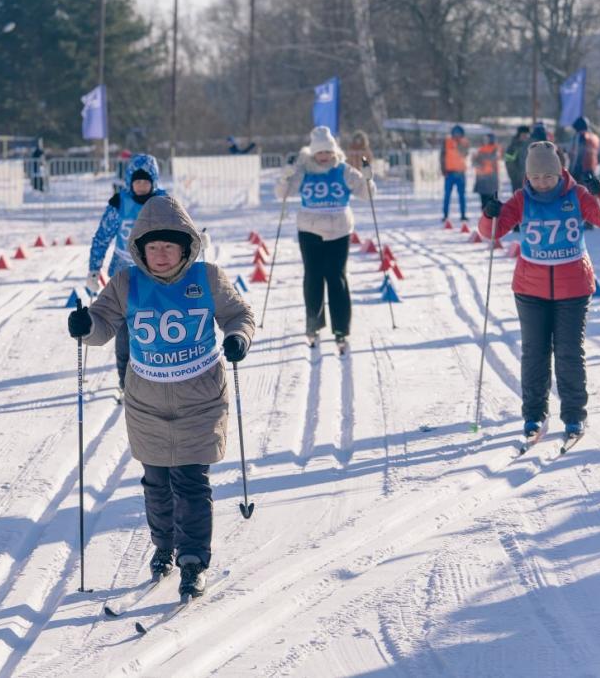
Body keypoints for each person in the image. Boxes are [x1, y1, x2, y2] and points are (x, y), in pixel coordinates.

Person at [67, 195, 255, 599]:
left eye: (169, 246)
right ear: (140, 249)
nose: (161, 255)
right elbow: (101, 327)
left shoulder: (207, 278)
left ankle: (192, 560)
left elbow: (240, 314)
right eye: (152, 247)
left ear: (186, 245)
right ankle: (164, 547)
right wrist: (84, 325)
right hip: (146, 402)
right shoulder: (126, 282)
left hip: (200, 399)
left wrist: (238, 337)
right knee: (156, 483)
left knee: (189, 481)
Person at [478, 141, 600, 442]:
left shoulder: (577, 195)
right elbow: (489, 232)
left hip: (574, 287)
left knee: (569, 353)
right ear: (527, 177)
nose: (542, 183)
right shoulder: (521, 199)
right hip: (531, 289)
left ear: (560, 173)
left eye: (548, 176)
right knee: (535, 353)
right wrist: (489, 213)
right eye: (536, 177)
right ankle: (533, 415)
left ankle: (573, 416)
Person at [274, 126, 374, 352]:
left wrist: (368, 179)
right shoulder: (303, 170)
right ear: (312, 153)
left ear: (334, 152)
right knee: (313, 277)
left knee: (337, 278)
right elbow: (282, 193)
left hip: (339, 231)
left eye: (328, 152)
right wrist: (286, 175)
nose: (324, 157)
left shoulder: (344, 170)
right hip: (309, 230)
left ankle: (341, 330)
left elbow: (368, 194)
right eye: (319, 153)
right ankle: (313, 325)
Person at [87, 154, 167, 395]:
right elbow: (102, 236)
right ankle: (126, 382)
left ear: (154, 181)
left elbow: (180, 231)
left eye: (146, 181)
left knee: (156, 328)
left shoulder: (164, 202)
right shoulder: (118, 203)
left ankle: (158, 377)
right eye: (137, 181)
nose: (141, 186)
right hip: (123, 275)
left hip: (157, 276)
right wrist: (94, 268)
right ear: (129, 181)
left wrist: (197, 242)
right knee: (125, 331)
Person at [440, 124, 469, 223]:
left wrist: (459, 144)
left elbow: (465, 154)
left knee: (462, 196)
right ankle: (445, 215)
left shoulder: (464, 142)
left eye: (459, 133)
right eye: (455, 133)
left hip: (460, 173)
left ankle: (463, 215)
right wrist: (443, 170)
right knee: (447, 195)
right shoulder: (446, 142)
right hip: (449, 173)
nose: (457, 135)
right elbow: (442, 157)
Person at [566, 116, 600, 180]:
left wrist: (571, 172)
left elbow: (577, 155)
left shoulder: (580, 136)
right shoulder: (594, 137)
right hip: (591, 169)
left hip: (580, 171)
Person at [473, 133, 501, 207]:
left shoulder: (495, 150)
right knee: (490, 202)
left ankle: (487, 217)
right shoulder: (481, 150)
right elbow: (475, 162)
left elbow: (475, 162)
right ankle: (489, 217)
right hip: (485, 179)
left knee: (487, 202)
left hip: (488, 178)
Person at [503, 125, 530, 193]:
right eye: (524, 134)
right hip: (517, 181)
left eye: (527, 135)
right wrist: (515, 176)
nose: (525, 136)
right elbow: (509, 163)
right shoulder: (513, 147)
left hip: (530, 180)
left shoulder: (530, 146)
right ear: (519, 135)